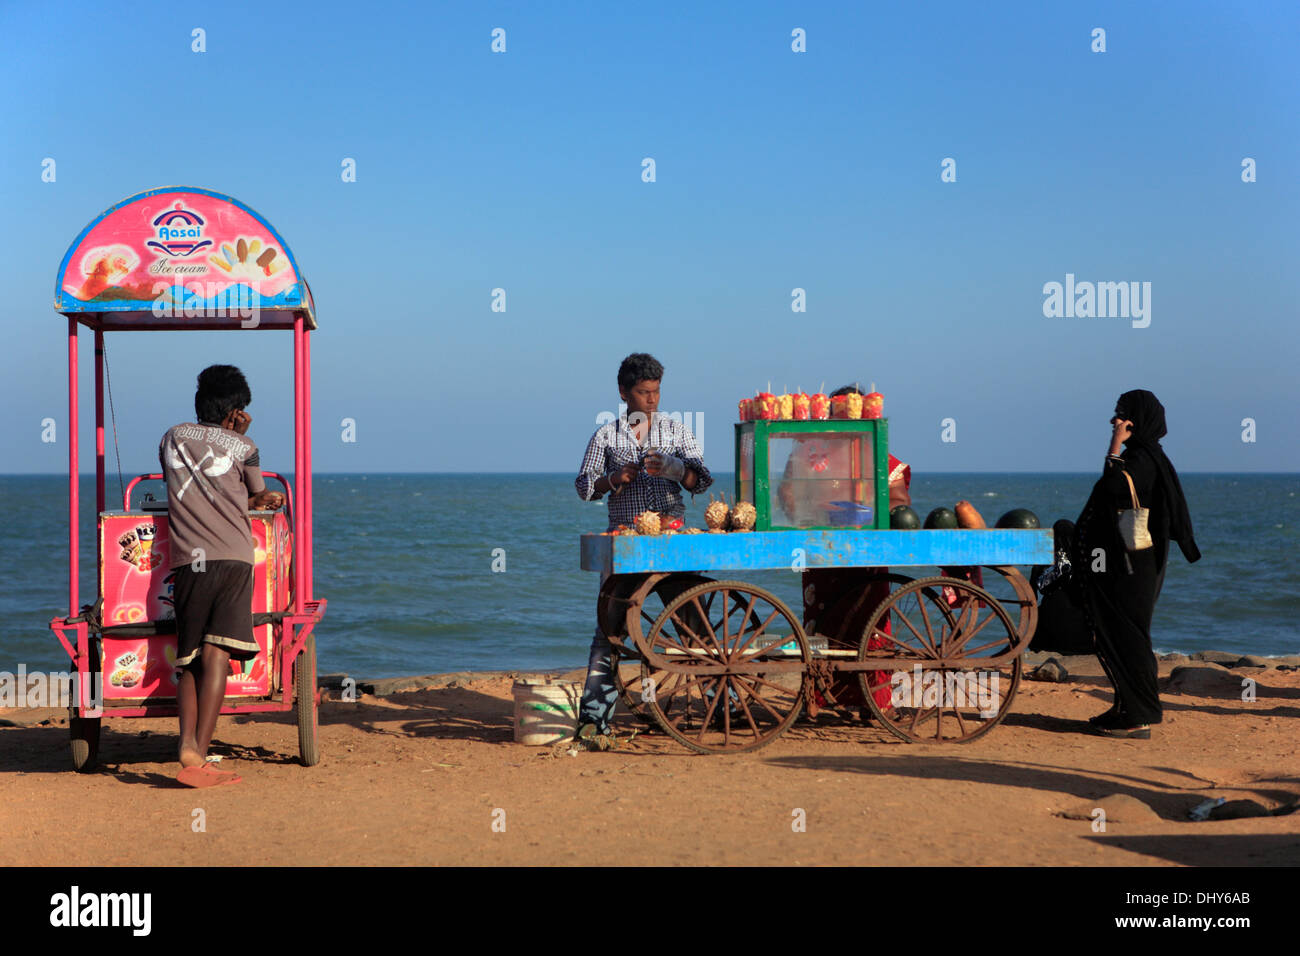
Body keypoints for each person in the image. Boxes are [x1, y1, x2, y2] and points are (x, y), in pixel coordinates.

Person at [573, 353, 712, 746]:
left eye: (656, 391)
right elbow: (584, 487)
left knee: (695, 624)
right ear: (623, 392)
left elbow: (700, 481)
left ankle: (724, 702)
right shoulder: (607, 436)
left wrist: (676, 470)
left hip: (672, 541)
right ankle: (594, 720)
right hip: (627, 544)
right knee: (609, 631)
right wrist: (614, 478)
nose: (652, 399)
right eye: (643, 392)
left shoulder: (676, 431)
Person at [160, 365, 283, 786]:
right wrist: (242, 434)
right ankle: (199, 749)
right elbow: (255, 492)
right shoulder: (245, 445)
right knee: (217, 656)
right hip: (234, 557)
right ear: (236, 409)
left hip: (189, 562)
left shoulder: (173, 436)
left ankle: (186, 745)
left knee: (189, 659)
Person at [1074, 389, 1200, 738]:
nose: (1114, 420)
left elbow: (1112, 488)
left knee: (1129, 637)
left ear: (1136, 420)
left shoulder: (1143, 460)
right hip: (1129, 563)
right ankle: (1124, 709)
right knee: (1117, 636)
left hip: (1133, 567)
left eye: (1121, 414)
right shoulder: (1144, 457)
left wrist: (1114, 445)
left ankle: (1139, 718)